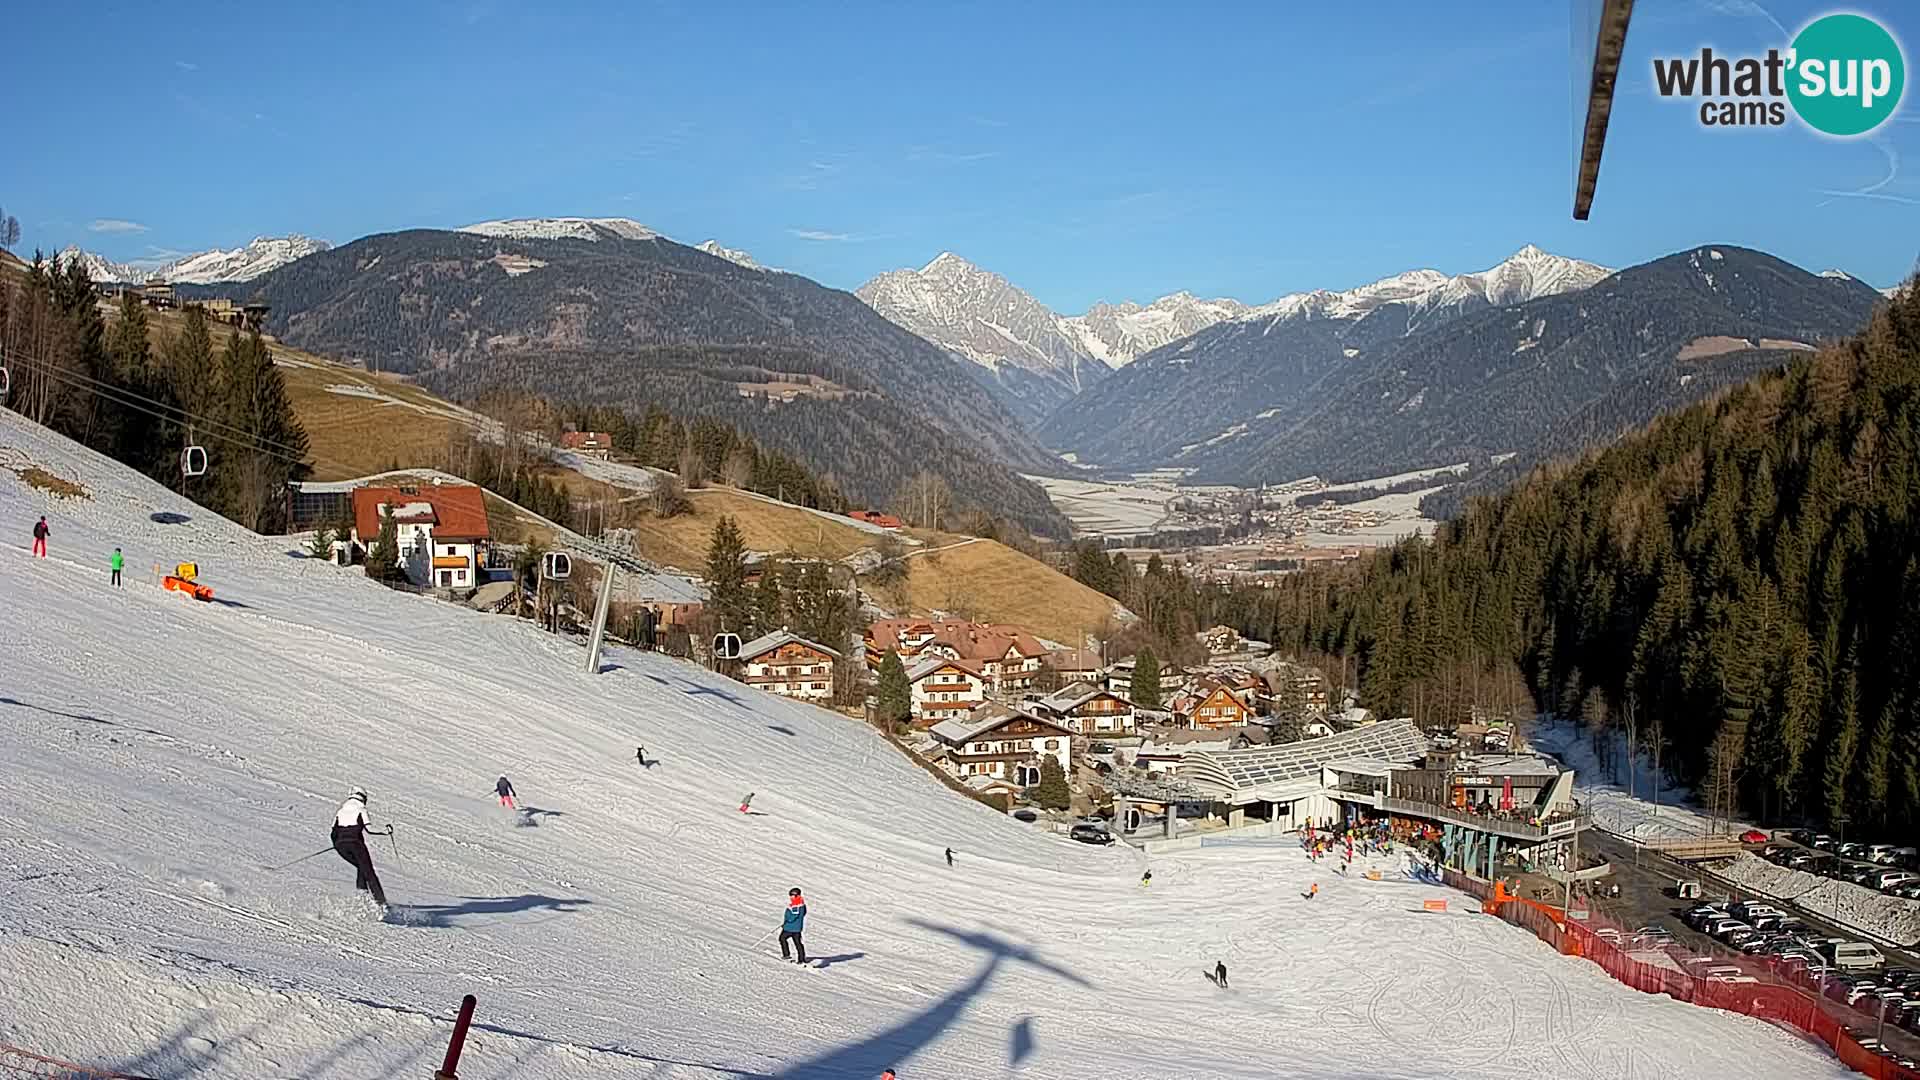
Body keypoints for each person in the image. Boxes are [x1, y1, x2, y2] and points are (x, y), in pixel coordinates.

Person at [331, 788, 390, 907]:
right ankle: (381, 904)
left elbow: (333, 833)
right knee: (369, 873)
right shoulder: (361, 809)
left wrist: (338, 844)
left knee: (362, 868)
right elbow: (369, 829)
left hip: (341, 846)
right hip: (356, 844)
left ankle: (362, 899)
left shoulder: (340, 811)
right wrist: (386, 831)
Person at [780, 887, 808, 964]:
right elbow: (803, 913)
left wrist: (787, 921)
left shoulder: (796, 904)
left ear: (796, 895)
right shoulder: (802, 904)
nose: (790, 897)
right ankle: (801, 959)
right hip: (797, 928)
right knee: (798, 943)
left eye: (792, 895)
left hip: (790, 927)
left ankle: (786, 954)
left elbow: (793, 916)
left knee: (782, 938)